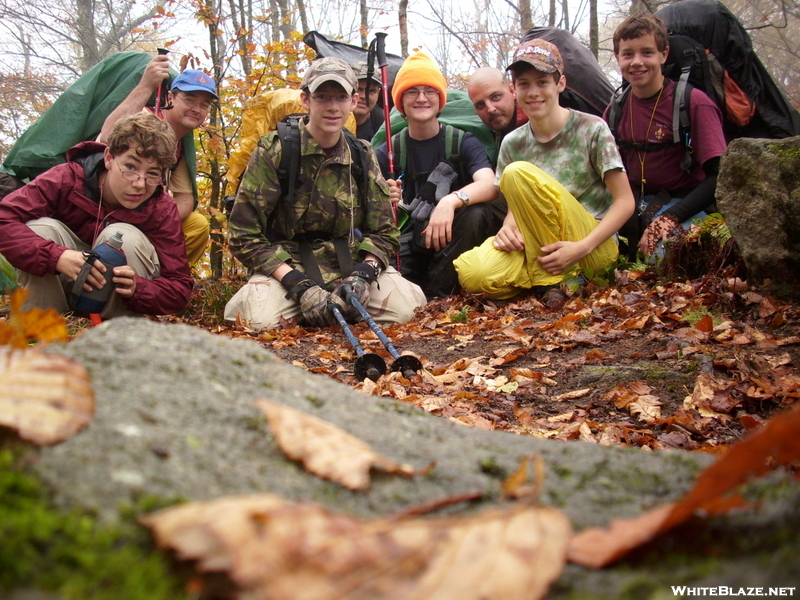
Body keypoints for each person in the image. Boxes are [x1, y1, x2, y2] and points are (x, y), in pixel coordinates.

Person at [224, 57, 426, 330]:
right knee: (257, 321)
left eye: (341, 97)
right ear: (306, 100)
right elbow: (243, 234)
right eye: (322, 97)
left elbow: (384, 233)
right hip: (286, 269)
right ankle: (302, 307)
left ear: (353, 102)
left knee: (407, 308)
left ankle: (333, 308)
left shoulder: (362, 154)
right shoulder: (274, 152)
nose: (332, 107)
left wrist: (363, 275)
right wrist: (298, 285)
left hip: (349, 266)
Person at [454, 39, 635, 306]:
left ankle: (555, 281)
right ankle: (554, 280)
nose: (533, 92)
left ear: (560, 84)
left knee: (516, 173)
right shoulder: (513, 142)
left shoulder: (592, 128)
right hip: (539, 245)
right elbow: (519, 207)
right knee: (473, 273)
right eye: (524, 84)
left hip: (591, 245)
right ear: (514, 89)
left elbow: (625, 201)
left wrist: (581, 248)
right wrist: (508, 228)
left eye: (542, 82)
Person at [0, 113, 193, 318]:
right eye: (130, 167)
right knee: (42, 228)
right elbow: (4, 218)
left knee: (122, 236)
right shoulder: (66, 178)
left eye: (152, 174)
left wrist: (139, 288)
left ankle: (119, 336)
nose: (139, 184)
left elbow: (179, 287)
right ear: (109, 158)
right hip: (61, 281)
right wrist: (56, 257)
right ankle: (40, 330)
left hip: (115, 302)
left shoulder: (161, 208)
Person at [374, 52, 501, 299]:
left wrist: (450, 201)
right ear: (400, 101)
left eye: (429, 91)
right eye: (412, 92)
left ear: (440, 99)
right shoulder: (387, 152)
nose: (422, 98)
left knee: (477, 214)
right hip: (407, 245)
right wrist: (383, 198)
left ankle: (440, 294)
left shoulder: (463, 141)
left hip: (452, 242)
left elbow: (489, 184)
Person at [608, 12, 727, 257]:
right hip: (630, 203)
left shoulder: (693, 103)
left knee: (664, 255)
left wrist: (671, 218)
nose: (637, 62)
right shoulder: (615, 110)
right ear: (617, 57)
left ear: (664, 54)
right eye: (628, 54)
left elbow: (719, 177)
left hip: (683, 203)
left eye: (647, 52)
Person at [98, 57, 218, 266]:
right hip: (105, 210)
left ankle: (158, 278)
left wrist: (154, 219)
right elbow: (106, 139)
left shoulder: (181, 143)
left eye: (204, 105)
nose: (197, 109)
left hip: (144, 217)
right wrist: (146, 86)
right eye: (189, 100)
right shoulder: (144, 118)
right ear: (170, 97)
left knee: (197, 225)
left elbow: (186, 199)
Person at [467, 66, 529, 161]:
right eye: (480, 105)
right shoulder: (482, 136)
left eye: (495, 97)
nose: (490, 109)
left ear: (512, 91)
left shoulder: (536, 126)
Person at [351, 61, 384, 142]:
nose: (363, 96)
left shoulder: (383, 126)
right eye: (359, 89)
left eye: (371, 91)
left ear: (378, 93)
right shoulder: (332, 120)